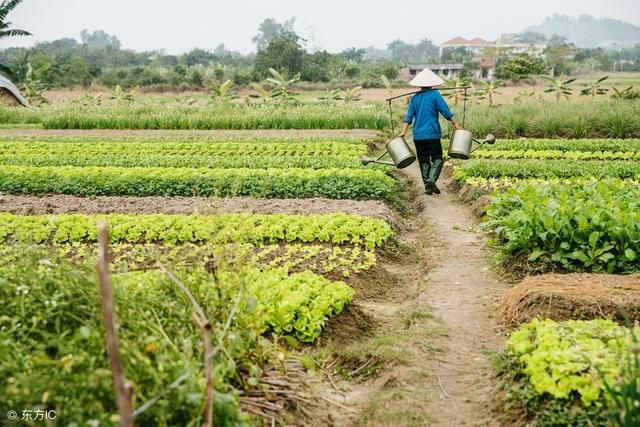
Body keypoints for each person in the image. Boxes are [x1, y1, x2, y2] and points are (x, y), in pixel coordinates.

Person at [398, 68, 460, 195]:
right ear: (432, 83)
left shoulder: (414, 98)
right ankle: (431, 179)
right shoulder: (435, 95)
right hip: (432, 133)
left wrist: (403, 131)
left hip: (418, 135)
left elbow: (408, 117)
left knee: (424, 160)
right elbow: (446, 112)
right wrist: (456, 124)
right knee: (437, 158)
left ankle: (427, 186)